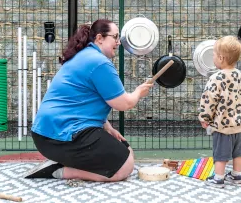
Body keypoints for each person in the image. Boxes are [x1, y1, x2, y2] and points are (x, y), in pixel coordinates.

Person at [25, 19, 153, 182]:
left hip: (49, 134)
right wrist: (138, 92)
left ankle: (63, 162)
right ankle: (59, 170)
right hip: (59, 135)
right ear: (100, 38)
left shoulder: (85, 56)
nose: (118, 42)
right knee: (124, 167)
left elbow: (84, 100)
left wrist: (107, 127)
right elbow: (124, 103)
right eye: (115, 37)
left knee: (126, 151)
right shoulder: (98, 63)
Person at [198, 35, 241, 187]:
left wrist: (205, 118)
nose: (213, 57)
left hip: (223, 126)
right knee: (239, 152)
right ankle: (236, 175)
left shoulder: (217, 78)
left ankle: (218, 178)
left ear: (221, 58)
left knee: (220, 153)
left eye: (214, 54)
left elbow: (209, 100)